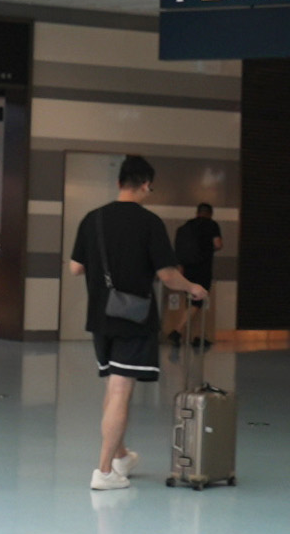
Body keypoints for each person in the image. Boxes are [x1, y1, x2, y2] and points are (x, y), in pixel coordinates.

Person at [66, 155, 204, 492]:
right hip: (134, 317)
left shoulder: (93, 219)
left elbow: (75, 268)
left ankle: (121, 456)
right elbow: (168, 276)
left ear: (118, 183)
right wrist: (193, 287)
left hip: (100, 317)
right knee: (120, 390)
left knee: (113, 386)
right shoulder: (150, 223)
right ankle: (104, 472)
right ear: (145, 185)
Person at [169, 202, 221, 347]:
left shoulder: (184, 228)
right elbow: (218, 244)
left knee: (190, 303)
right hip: (202, 269)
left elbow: (178, 251)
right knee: (198, 303)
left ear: (197, 213)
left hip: (185, 270)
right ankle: (177, 331)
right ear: (210, 214)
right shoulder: (212, 225)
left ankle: (193, 336)